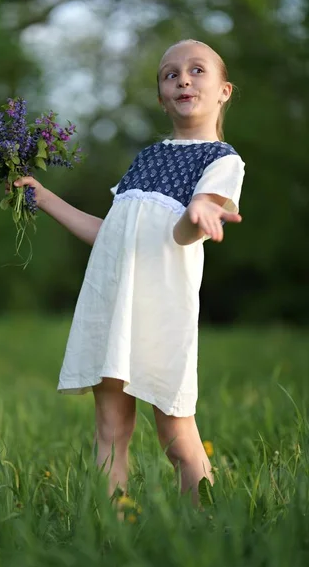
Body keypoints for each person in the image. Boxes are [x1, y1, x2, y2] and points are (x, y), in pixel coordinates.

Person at [13, 39, 245, 507]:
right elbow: (111, 233)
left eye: (197, 70)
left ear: (224, 91)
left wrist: (198, 211)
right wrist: (44, 197)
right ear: (162, 98)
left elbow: (183, 234)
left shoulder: (221, 160)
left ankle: (209, 524)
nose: (183, 78)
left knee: (174, 430)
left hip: (161, 312)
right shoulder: (148, 158)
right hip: (112, 307)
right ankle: (108, 533)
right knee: (110, 428)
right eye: (170, 74)